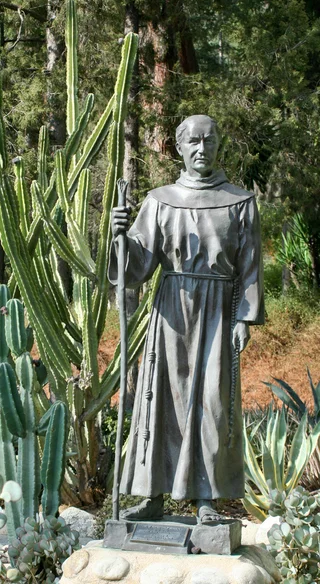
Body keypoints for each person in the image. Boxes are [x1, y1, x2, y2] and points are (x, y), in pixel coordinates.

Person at [110, 114, 264, 523]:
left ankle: (208, 499)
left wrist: (244, 319)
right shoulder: (159, 200)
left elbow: (249, 266)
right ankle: (152, 494)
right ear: (178, 147)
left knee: (213, 402)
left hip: (219, 309)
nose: (201, 149)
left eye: (208, 142)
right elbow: (138, 265)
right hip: (171, 311)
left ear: (217, 146)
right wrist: (121, 237)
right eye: (193, 142)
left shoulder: (240, 201)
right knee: (160, 398)